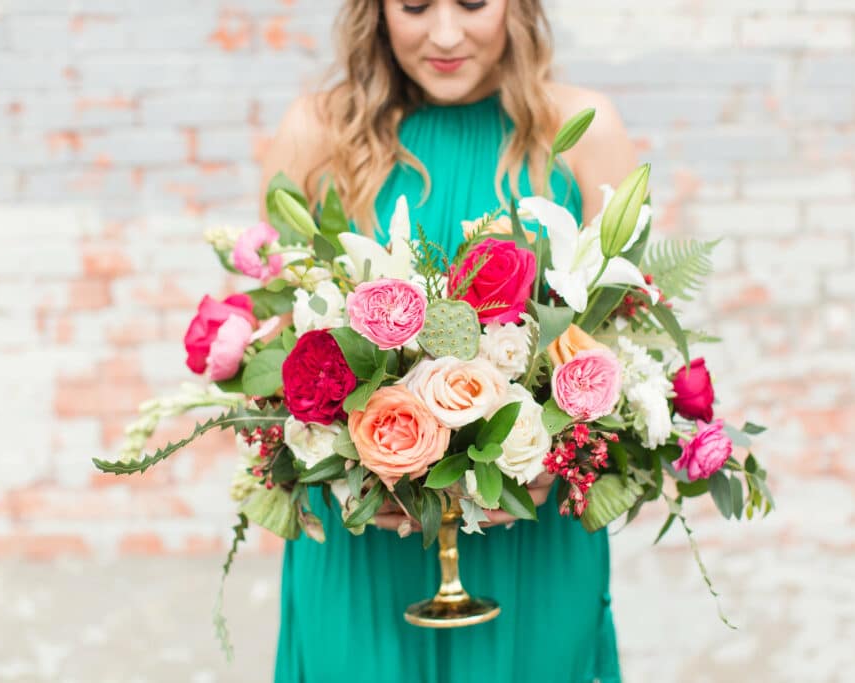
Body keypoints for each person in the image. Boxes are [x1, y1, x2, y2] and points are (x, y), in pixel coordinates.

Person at [259, 1, 637, 681]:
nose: (444, 34)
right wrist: (351, 466)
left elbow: (626, 363)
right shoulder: (316, 134)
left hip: (530, 544)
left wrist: (552, 458)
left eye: (471, 2)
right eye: (412, 5)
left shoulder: (582, 132)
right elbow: (274, 365)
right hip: (362, 550)